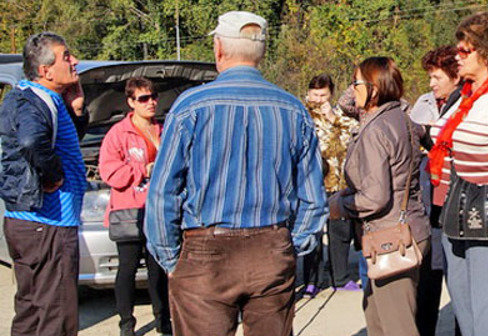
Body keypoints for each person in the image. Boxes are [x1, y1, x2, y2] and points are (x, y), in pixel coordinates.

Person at [144, 11, 327, 336]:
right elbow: (313, 198)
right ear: (263, 52)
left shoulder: (190, 106)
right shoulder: (292, 109)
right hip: (270, 246)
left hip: (205, 251)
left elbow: (162, 193)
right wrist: (291, 247)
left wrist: (170, 258)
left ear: (218, 49)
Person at [428, 12, 488, 336]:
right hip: (453, 208)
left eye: (464, 50)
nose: (458, 55)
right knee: (461, 299)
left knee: (485, 303)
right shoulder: (462, 94)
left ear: (485, 52)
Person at [328, 56, 430, 336]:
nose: (352, 89)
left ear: (374, 88)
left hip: (391, 237)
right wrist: (363, 79)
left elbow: (374, 197)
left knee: (396, 327)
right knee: (379, 319)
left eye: (356, 83)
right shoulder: (400, 117)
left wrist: (340, 204)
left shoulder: (376, 130)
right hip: (407, 228)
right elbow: (348, 104)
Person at [0, 32, 88, 336]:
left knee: (33, 313)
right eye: (66, 56)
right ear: (45, 70)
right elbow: (30, 141)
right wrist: (53, 175)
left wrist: (76, 110)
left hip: (35, 224)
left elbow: (62, 143)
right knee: (56, 317)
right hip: (47, 224)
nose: (74, 61)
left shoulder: (43, 99)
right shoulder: (33, 99)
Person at [98, 77, 171, 336]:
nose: (150, 102)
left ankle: (165, 322)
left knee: (159, 271)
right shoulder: (117, 134)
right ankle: (126, 324)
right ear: (131, 102)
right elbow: (109, 173)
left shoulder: (164, 130)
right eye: (143, 98)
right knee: (127, 270)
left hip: (158, 211)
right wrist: (143, 170)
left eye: (153, 96)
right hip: (129, 212)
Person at [410, 45, 461, 336]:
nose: (431, 83)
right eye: (429, 77)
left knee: (460, 287)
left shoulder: (468, 105)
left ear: (455, 76)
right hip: (428, 208)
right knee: (426, 284)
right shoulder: (423, 103)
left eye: (436, 76)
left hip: (455, 205)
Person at [302, 74, 360, 297]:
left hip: (339, 183)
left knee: (340, 233)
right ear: (308, 94)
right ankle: (312, 280)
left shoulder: (341, 117)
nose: (318, 99)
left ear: (331, 95)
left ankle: (341, 277)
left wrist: (333, 117)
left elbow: (354, 131)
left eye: (323, 95)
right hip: (312, 185)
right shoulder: (303, 116)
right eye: (315, 94)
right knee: (313, 235)